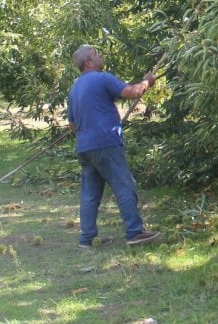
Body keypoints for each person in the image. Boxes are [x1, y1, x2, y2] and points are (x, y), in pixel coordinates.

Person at [67, 45, 160, 247]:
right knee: (124, 185)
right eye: (95, 54)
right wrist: (147, 82)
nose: (100, 56)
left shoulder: (74, 89)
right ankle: (135, 232)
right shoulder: (102, 78)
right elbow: (132, 92)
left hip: (84, 147)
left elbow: (72, 126)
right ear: (88, 62)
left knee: (90, 194)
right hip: (105, 143)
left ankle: (87, 238)